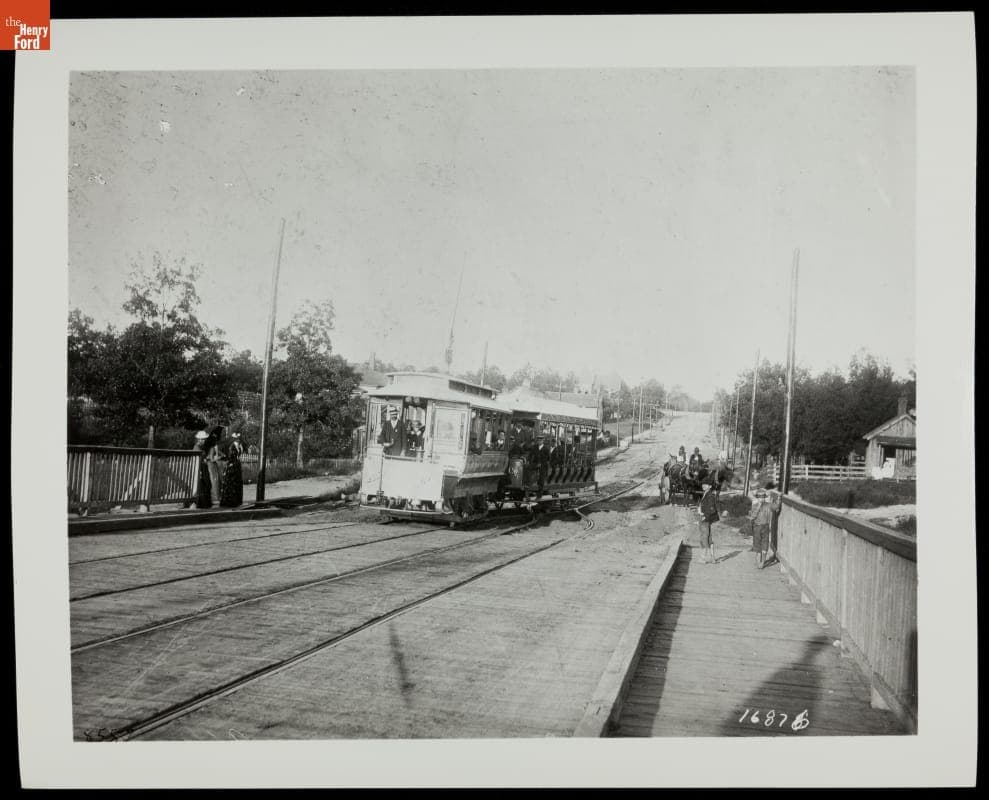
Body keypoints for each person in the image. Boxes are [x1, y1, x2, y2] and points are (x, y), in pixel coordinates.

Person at [696, 480, 722, 564]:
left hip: (705, 519)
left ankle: (703, 558)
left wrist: (703, 517)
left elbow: (712, 509)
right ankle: (712, 558)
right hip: (707, 519)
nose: (703, 485)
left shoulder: (710, 495)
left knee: (704, 538)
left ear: (710, 486)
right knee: (709, 538)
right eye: (703, 483)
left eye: (706, 484)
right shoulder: (707, 494)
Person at [748, 488, 772, 568]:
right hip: (757, 526)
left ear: (764, 498)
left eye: (762, 497)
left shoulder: (768, 505)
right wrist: (758, 506)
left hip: (764, 526)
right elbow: (752, 516)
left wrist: (779, 498)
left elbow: (776, 507)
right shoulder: (755, 506)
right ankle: (759, 562)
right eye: (759, 497)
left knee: (764, 543)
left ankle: (762, 562)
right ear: (757, 498)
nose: (761, 499)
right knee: (757, 544)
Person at [220, 432, 244, 507]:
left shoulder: (239, 446)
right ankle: (230, 501)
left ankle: (236, 501)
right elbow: (230, 457)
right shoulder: (231, 447)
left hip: (237, 465)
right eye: (236, 438)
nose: (238, 439)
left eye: (238, 438)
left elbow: (239, 455)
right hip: (232, 465)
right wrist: (232, 463)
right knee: (231, 483)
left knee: (237, 482)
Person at [204, 425, 225, 506]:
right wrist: (220, 457)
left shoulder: (208, 447)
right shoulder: (212, 448)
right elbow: (212, 459)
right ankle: (216, 497)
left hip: (209, 464)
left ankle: (214, 497)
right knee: (215, 481)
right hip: (212, 465)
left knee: (214, 480)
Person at [192, 430, 212, 508]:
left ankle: (206, 502)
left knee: (208, 483)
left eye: (204, 439)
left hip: (203, 468)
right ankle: (202, 503)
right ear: (199, 439)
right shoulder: (196, 448)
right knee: (205, 484)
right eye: (203, 439)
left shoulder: (201, 447)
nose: (204, 441)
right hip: (200, 469)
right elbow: (196, 461)